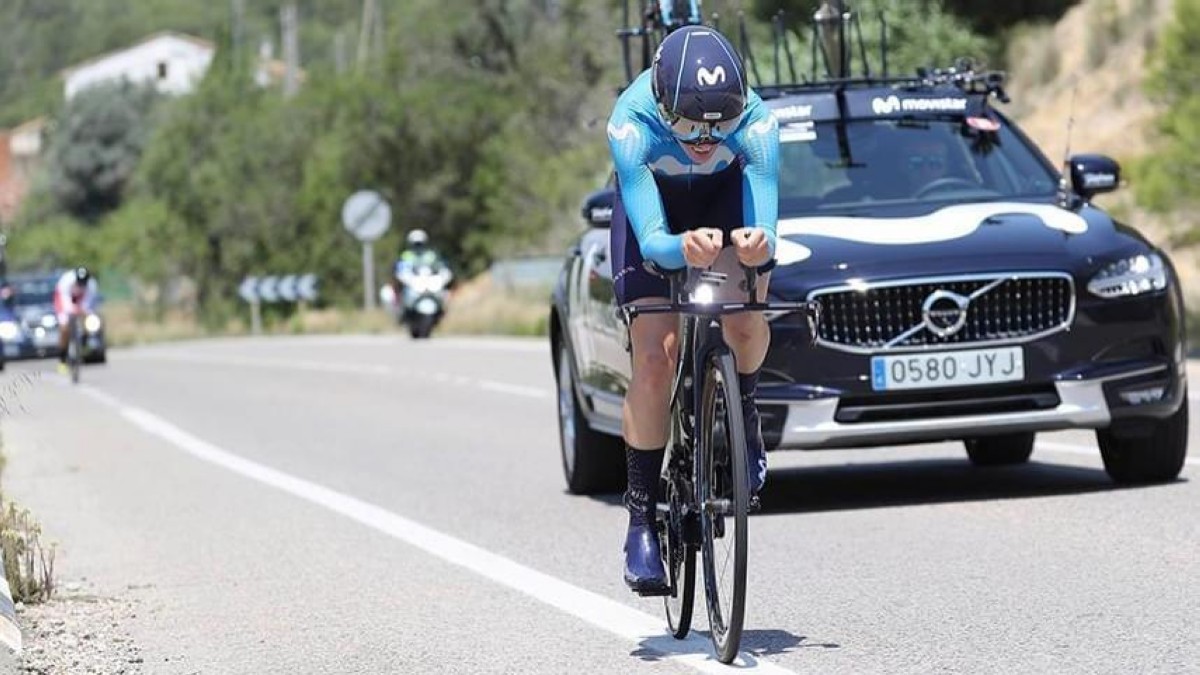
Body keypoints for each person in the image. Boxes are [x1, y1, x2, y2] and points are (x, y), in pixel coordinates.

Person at [606, 25, 779, 594]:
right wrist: (678, 247)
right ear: (661, 105)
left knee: (747, 315)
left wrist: (758, 244)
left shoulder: (758, 122)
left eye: (718, 127)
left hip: (724, 200)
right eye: (687, 126)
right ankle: (640, 523)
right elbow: (653, 237)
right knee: (656, 358)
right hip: (657, 214)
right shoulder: (631, 124)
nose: (704, 140)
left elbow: (766, 228)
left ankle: (744, 413)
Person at [54, 266, 99, 373]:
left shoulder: (92, 285)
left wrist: (83, 311)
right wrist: (71, 309)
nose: (81, 284)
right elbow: (63, 300)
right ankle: (62, 360)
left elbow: (88, 303)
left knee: (89, 322)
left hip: (81, 302)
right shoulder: (66, 281)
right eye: (79, 282)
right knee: (64, 329)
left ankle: (84, 342)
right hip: (64, 300)